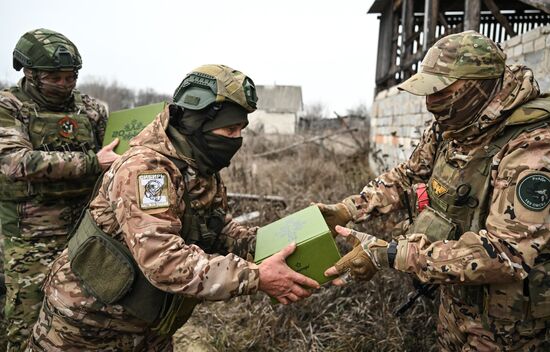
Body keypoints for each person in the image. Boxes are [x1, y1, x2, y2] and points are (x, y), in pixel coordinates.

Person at [29, 64, 320, 351]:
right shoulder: (144, 170)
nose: (237, 140)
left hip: (147, 328)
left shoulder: (197, 165)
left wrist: (297, 236)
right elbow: (164, 260)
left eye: (241, 130)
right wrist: (256, 276)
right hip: (87, 327)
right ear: (196, 123)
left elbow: (221, 231)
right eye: (230, 129)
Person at [319, 30, 550, 351]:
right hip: (454, 297)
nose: (429, 104)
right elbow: (407, 174)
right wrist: (349, 209)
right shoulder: (453, 125)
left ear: (476, 87)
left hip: (510, 327)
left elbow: (506, 254)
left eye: (440, 91)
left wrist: (391, 254)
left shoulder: (532, 146)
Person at [0, 28, 119, 351]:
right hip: (29, 237)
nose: (65, 84)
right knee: (27, 321)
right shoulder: (9, 107)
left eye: (71, 77)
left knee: (82, 319)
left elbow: (114, 158)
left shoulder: (92, 109)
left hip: (85, 233)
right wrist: (92, 162)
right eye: (56, 78)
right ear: (30, 72)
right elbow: (15, 163)